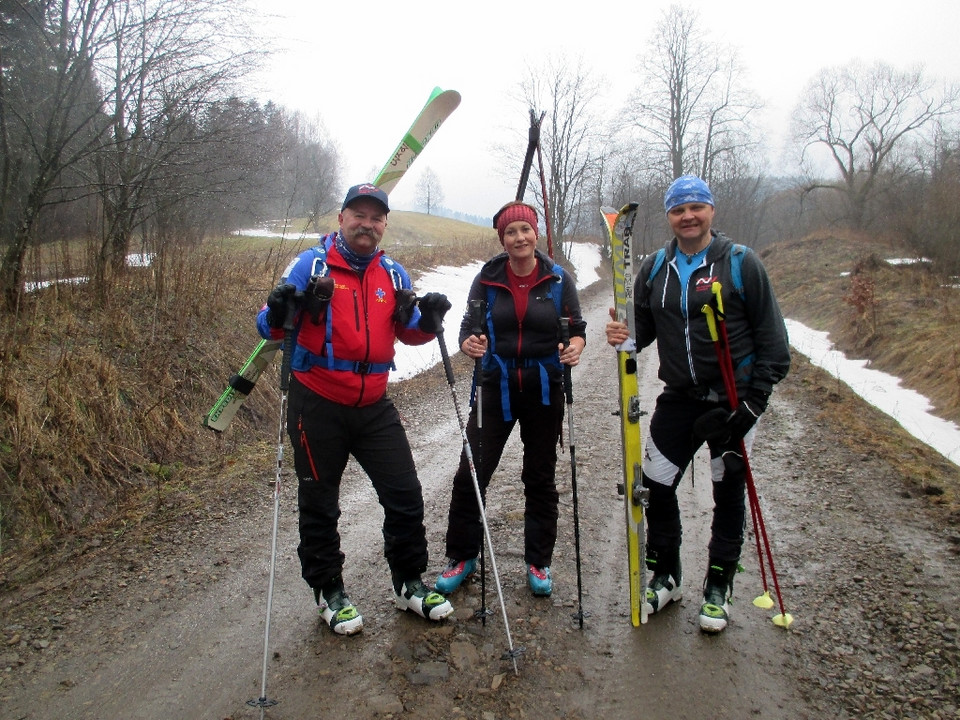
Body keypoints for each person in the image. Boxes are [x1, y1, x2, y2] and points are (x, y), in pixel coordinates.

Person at [256, 182, 455, 636]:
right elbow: (270, 326)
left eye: (376, 217)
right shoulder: (313, 264)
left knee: (404, 494)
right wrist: (277, 309)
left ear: (384, 224)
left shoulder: (394, 273)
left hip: (373, 405)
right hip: (317, 403)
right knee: (320, 503)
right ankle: (329, 591)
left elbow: (409, 332)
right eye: (358, 215)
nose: (367, 224)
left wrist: (429, 319)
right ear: (341, 218)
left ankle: (408, 583)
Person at [604, 175, 790, 633]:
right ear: (669, 217)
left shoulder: (742, 264)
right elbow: (643, 332)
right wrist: (624, 335)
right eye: (678, 209)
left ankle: (718, 586)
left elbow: (775, 348)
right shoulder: (654, 268)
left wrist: (752, 406)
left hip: (733, 400)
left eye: (696, 207)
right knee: (655, 482)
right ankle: (667, 575)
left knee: (728, 491)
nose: (688, 216)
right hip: (680, 399)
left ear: (711, 211)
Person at [434, 200, 586, 598]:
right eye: (511, 232)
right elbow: (468, 327)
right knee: (472, 472)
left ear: (536, 234)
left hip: (543, 387)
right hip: (494, 385)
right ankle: (461, 556)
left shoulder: (557, 280)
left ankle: (538, 560)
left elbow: (577, 328)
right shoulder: (486, 278)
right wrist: (469, 343)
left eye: (525, 230)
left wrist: (576, 346)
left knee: (539, 477)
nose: (519, 238)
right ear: (502, 239)